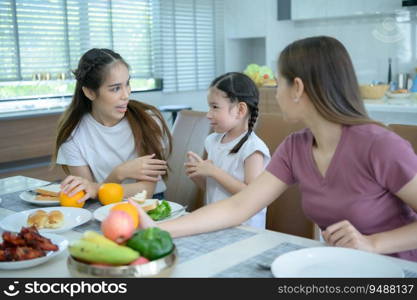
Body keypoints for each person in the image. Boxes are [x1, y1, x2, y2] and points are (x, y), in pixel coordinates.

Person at [135, 36, 417, 262]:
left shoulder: (380, 145)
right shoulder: (296, 147)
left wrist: (373, 243)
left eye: (278, 82)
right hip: (342, 265)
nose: (274, 92)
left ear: (297, 87)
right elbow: (238, 206)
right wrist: (157, 229)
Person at [53, 48, 172, 203]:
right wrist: (119, 173)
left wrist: (97, 188)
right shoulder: (73, 135)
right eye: (116, 88)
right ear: (90, 93)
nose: (126, 94)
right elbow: (86, 195)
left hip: (149, 205)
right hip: (100, 206)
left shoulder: (148, 121)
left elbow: (146, 191)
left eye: (127, 84)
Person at [184, 72, 270, 229]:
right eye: (209, 107)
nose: (208, 114)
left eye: (215, 107)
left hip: (246, 228)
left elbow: (252, 196)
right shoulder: (212, 141)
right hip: (219, 222)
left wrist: (214, 172)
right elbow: (215, 189)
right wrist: (198, 174)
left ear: (240, 110)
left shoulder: (253, 148)